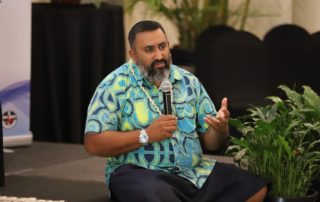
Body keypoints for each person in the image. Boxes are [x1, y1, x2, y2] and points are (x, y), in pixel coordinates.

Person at [84, 20, 268, 202]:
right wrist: (146, 135)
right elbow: (93, 143)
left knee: (254, 187)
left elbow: (211, 144)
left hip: (193, 173)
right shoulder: (114, 85)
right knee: (156, 194)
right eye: (149, 50)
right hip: (141, 174)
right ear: (133, 54)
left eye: (162, 46)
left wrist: (219, 129)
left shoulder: (188, 81)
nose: (159, 55)